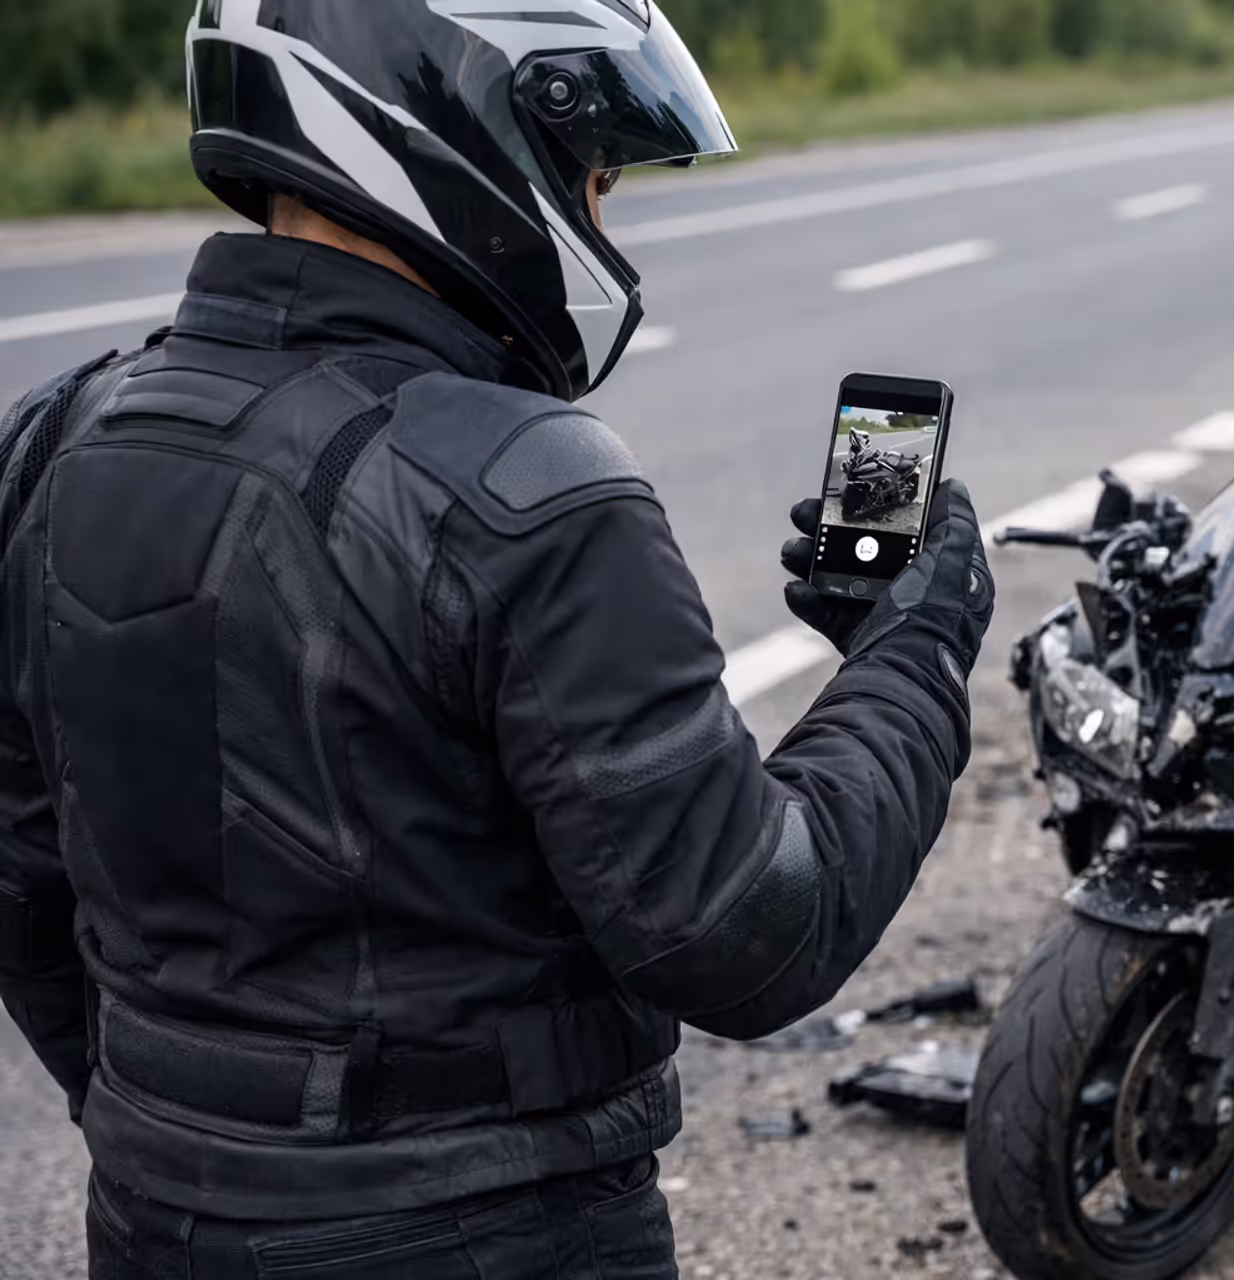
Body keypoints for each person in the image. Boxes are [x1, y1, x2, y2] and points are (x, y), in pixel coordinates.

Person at [0, 3, 993, 1276]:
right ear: (461, 121)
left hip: (150, 1211)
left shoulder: (56, 435)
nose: (597, 211)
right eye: (594, 175)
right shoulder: (530, 487)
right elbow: (750, 933)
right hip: (489, 1228)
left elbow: (27, 874)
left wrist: (188, 1130)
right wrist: (912, 653)